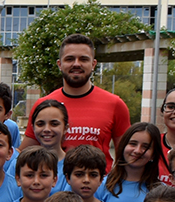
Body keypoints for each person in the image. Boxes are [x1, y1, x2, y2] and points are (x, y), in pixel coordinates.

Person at [23, 34, 131, 168]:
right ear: (60, 64)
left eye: (83, 59)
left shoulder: (115, 104)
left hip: (98, 187)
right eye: (69, 59)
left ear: (93, 64)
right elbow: (24, 154)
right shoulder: (43, 105)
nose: (76, 64)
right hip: (52, 186)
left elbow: (127, 156)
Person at [99, 122, 162, 202]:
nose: (138, 151)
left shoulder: (161, 192)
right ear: (122, 146)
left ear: (154, 154)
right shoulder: (102, 186)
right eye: (133, 144)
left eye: (145, 147)